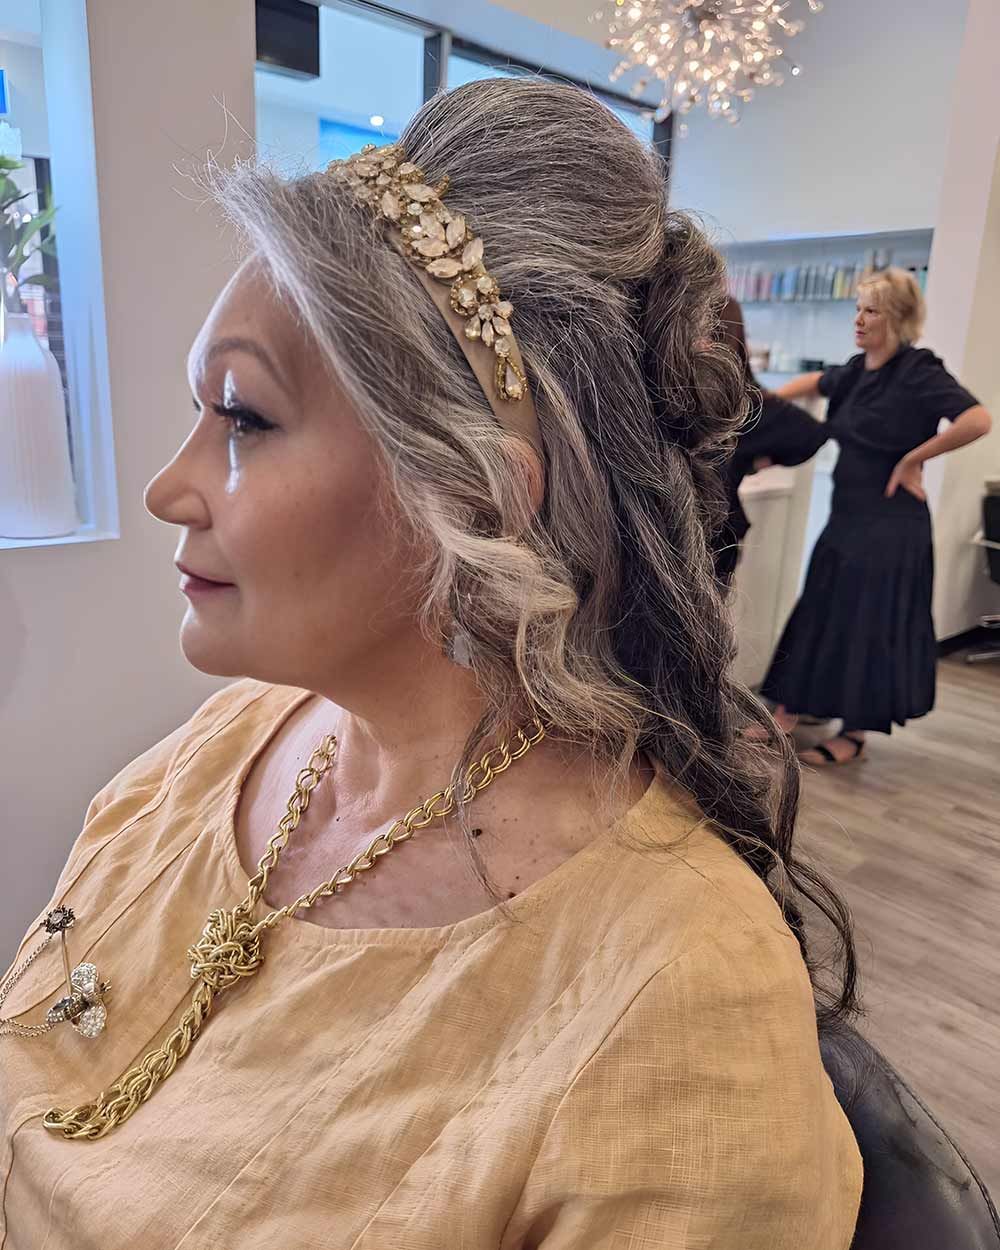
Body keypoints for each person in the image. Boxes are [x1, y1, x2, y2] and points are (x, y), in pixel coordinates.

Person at [0, 80, 862, 1247]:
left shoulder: (676, 1003)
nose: (168, 486)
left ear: (477, 489)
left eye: (244, 418)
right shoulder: (231, 742)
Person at [761, 267, 992, 765]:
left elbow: (977, 420)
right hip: (848, 515)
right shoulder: (855, 370)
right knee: (821, 612)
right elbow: (816, 382)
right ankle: (790, 710)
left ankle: (856, 732)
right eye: (858, 309)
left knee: (866, 624)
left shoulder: (918, 371)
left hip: (891, 524)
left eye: (872, 310)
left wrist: (914, 458)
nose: (859, 320)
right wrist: (760, 401)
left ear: (899, 319)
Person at [713, 296, 829, 582]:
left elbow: (812, 434)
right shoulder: (678, 396)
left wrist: (755, 460)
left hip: (713, 542)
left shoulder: (747, 407)